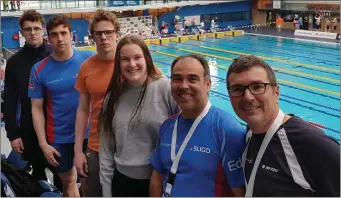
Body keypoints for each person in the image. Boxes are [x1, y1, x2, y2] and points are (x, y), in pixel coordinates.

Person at [226, 55, 340, 197]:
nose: (248, 97)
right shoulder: (249, 134)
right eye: (237, 89)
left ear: (276, 92)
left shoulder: (312, 144)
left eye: (257, 87)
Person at [149, 54, 246, 197]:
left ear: (208, 84)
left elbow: (240, 192)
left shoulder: (227, 129)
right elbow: (157, 178)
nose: (183, 85)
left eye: (192, 79)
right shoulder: (167, 126)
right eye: (177, 79)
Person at [99, 35, 179, 197]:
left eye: (137, 57)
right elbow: (106, 149)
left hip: (161, 180)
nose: (132, 64)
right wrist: (107, 190)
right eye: (125, 59)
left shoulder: (165, 89)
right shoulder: (112, 97)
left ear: (147, 59)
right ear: (118, 63)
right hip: (123, 182)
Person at [28, 15, 95, 197]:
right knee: (69, 181)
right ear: (48, 38)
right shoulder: (39, 69)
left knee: (90, 181)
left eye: (63, 33)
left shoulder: (90, 59)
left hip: (90, 134)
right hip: (59, 137)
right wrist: (43, 144)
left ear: (71, 35)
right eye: (54, 34)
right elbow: (36, 108)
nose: (59, 39)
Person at [3, 9, 62, 190]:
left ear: (43, 30)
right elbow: (10, 101)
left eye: (36, 28)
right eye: (28, 29)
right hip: (29, 129)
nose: (32, 33)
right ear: (22, 33)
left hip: (57, 127)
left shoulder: (56, 55)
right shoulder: (14, 62)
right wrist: (13, 134)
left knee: (62, 173)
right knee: (36, 176)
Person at [74, 9, 120, 197]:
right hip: (96, 146)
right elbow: (83, 110)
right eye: (99, 33)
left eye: (108, 32)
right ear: (92, 37)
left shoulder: (131, 62)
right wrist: (78, 151)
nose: (104, 37)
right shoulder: (86, 67)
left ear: (117, 34)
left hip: (130, 147)